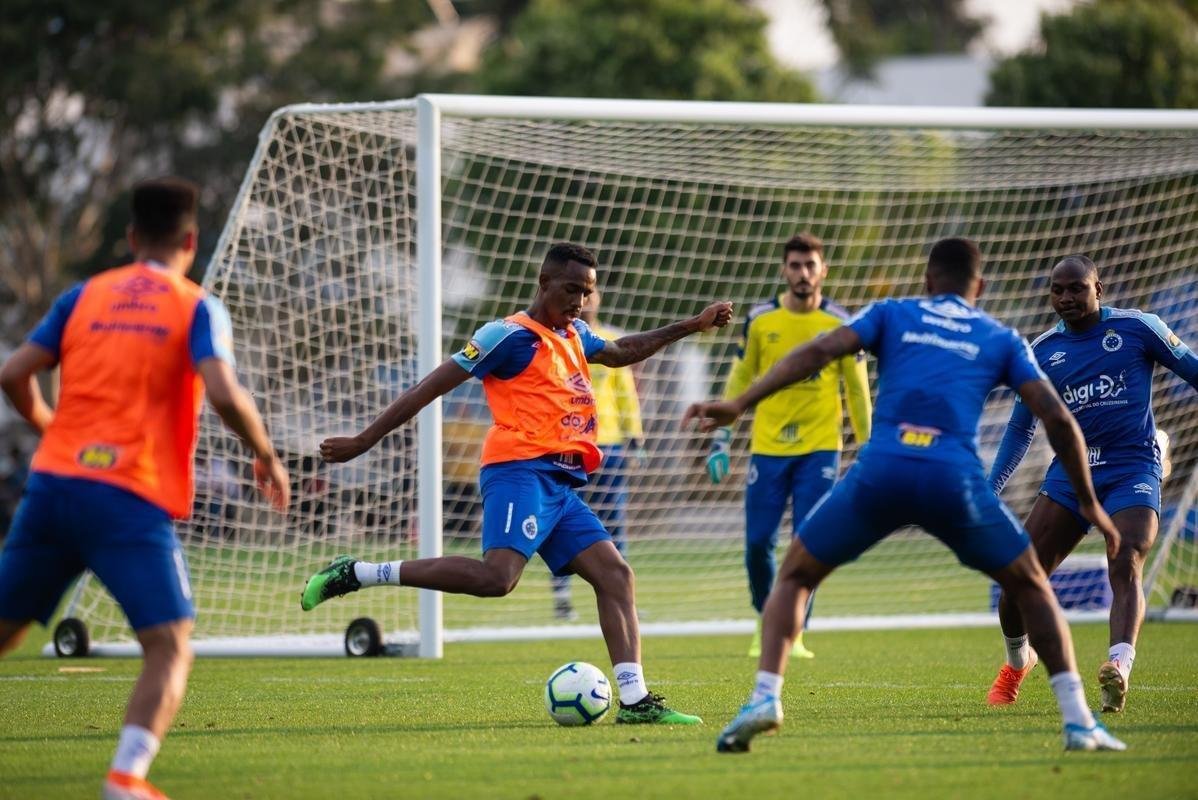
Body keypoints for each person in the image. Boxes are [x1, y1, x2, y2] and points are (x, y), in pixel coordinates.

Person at [685, 237, 1127, 754]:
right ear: (978, 288)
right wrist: (1091, 503)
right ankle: (1077, 720)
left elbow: (818, 351)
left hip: (884, 471)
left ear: (926, 282)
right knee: (1031, 586)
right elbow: (1056, 419)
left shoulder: (893, 313)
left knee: (796, 573)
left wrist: (739, 403)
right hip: (953, 481)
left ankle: (765, 696)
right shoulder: (1001, 337)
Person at [302, 242, 732, 725]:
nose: (579, 301)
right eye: (571, 290)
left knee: (616, 576)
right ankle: (357, 573)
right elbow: (430, 387)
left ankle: (634, 701)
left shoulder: (576, 334)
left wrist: (692, 325)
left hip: (559, 482)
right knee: (497, 579)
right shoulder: (505, 337)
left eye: (587, 292)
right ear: (544, 283)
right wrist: (365, 439)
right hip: (517, 471)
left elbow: (621, 351)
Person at [0, 178, 290, 800]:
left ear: (130, 238)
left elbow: (14, 373)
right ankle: (126, 777)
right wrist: (264, 454)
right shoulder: (195, 305)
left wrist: (50, 426)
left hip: (53, 485)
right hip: (127, 495)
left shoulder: (83, 296)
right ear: (191, 240)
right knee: (167, 643)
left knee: (6, 630)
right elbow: (222, 391)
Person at [986, 255, 1198, 713]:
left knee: (1127, 556)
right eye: (1057, 290)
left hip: (1132, 468)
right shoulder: (1040, 354)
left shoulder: (1141, 328)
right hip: (1069, 477)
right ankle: (1016, 665)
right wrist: (991, 486)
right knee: (1017, 584)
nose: (1066, 298)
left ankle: (1118, 666)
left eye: (1076, 288)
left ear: (1098, 289)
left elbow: (1193, 372)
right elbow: (1021, 428)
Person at [705, 233, 871, 658]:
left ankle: (794, 631)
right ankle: (767, 618)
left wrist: (869, 448)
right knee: (758, 542)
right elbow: (741, 377)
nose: (803, 274)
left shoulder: (842, 323)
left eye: (810, 266)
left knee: (809, 540)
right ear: (785, 270)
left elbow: (856, 391)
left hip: (820, 448)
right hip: (768, 447)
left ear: (823, 270)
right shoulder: (761, 320)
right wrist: (722, 437)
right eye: (795, 266)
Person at [550, 286, 646, 621]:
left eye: (592, 294)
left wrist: (634, 436)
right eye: (580, 293)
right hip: (571, 446)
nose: (586, 300)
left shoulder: (609, 340)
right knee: (561, 521)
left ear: (599, 300)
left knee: (614, 523)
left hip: (610, 446)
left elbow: (625, 393)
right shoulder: (558, 340)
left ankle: (622, 594)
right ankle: (562, 597)